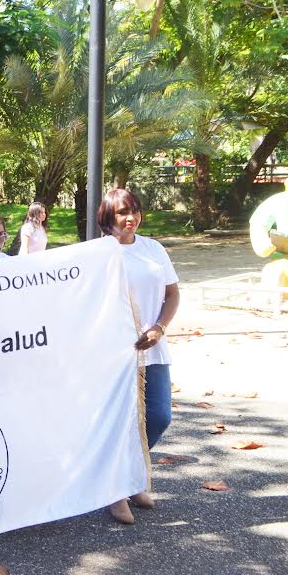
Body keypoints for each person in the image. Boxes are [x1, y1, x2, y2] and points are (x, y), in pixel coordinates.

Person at [97, 188, 180, 525]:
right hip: (114, 353)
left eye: (134, 210)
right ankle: (116, 489)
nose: (130, 218)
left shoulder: (153, 248)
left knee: (159, 416)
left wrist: (159, 326)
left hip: (153, 348)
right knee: (120, 422)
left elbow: (172, 294)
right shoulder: (97, 253)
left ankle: (132, 477)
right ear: (107, 217)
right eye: (121, 212)